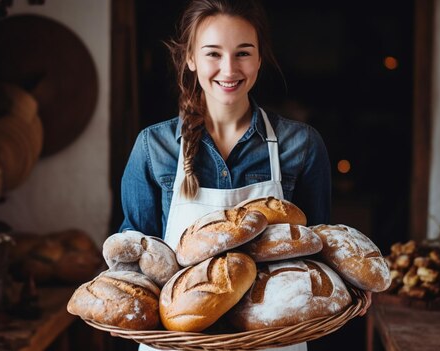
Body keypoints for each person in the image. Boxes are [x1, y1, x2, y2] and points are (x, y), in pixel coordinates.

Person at [119, 0, 371, 350]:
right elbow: (136, 252)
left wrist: (348, 280)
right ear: (190, 58)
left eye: (243, 53)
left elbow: (316, 243)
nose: (228, 68)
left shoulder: (300, 145)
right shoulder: (154, 147)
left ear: (259, 58)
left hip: (275, 342)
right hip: (178, 344)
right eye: (213, 54)